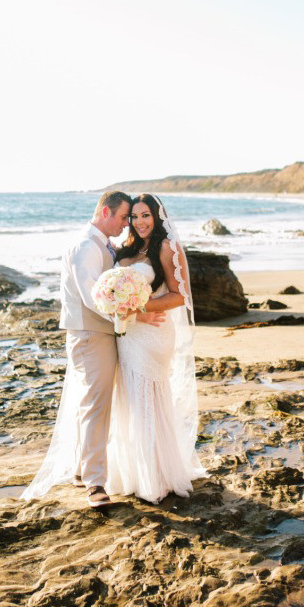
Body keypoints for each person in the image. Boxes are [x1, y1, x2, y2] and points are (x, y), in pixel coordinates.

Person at [21, 190, 164, 508]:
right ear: (105, 212)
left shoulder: (103, 245)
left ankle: (82, 469)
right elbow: (92, 297)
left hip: (99, 334)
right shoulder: (87, 246)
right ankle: (95, 486)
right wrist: (134, 313)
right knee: (96, 407)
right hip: (90, 335)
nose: (128, 223)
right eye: (125, 216)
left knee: (91, 403)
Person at [106, 193, 209, 503]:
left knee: (148, 399)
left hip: (153, 334)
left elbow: (181, 296)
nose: (139, 222)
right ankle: (134, 472)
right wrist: (121, 306)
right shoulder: (126, 249)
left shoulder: (166, 247)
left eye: (145, 215)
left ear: (157, 216)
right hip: (128, 333)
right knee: (130, 400)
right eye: (134, 217)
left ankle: (157, 475)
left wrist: (142, 306)